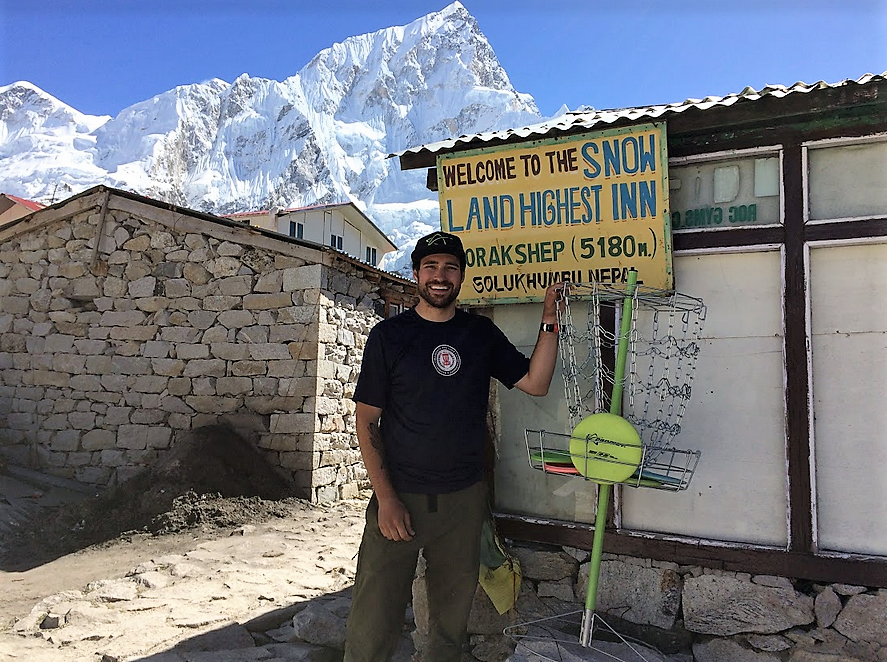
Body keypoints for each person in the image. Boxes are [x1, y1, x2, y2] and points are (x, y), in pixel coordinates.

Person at [344, 230, 564, 662]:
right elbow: (366, 420)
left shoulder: (479, 334)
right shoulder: (389, 337)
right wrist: (386, 499)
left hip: (463, 502)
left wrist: (550, 316)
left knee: (449, 627)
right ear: (415, 274)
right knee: (373, 622)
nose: (440, 276)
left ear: (461, 276)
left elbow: (535, 383)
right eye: (431, 267)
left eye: (449, 267)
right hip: (399, 499)